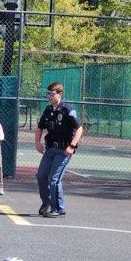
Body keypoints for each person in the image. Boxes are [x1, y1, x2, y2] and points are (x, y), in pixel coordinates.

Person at [35, 82, 83, 217]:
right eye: (48, 94)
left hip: (64, 150)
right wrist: (37, 143)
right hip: (51, 149)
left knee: (53, 179)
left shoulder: (67, 109)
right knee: (41, 176)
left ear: (59, 94)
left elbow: (79, 129)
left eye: (52, 93)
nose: (49, 96)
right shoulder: (48, 110)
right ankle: (47, 202)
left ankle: (59, 208)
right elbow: (40, 127)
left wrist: (72, 146)